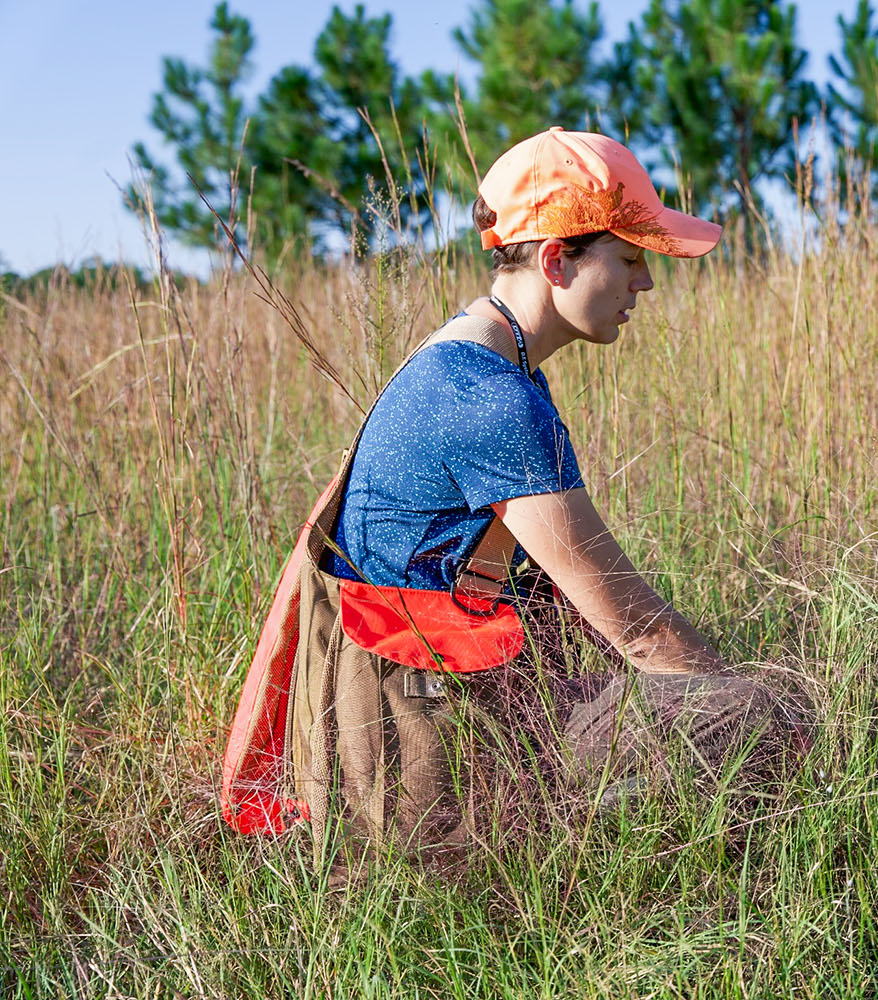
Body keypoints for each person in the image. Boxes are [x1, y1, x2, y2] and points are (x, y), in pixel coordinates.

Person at [301, 127, 806, 858]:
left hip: (419, 691)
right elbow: (638, 629)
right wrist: (756, 706)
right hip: (425, 733)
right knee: (750, 712)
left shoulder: (464, 356)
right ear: (555, 261)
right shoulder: (491, 400)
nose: (646, 283)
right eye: (630, 259)